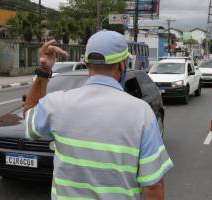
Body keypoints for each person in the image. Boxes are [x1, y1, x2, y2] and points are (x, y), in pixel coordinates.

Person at [24, 30, 173, 200]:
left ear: (86, 63)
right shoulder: (142, 112)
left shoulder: (57, 103)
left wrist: (43, 72)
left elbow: (30, 122)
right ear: (122, 65)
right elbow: (153, 186)